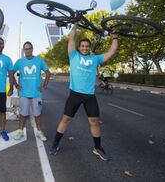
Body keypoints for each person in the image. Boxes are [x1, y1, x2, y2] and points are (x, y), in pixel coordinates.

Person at [49, 23, 118, 161]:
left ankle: (97, 148)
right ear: (79, 48)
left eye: (87, 46)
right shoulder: (73, 56)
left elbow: (112, 52)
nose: (84, 48)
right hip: (75, 94)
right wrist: (74, 25)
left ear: (89, 48)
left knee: (94, 122)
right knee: (65, 120)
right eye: (82, 46)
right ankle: (55, 144)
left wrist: (114, 36)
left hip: (89, 96)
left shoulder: (95, 59)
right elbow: (71, 39)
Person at [13, 41, 51, 141]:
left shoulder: (39, 60)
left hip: (36, 93)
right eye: (26, 49)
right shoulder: (20, 61)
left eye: (29, 48)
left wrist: (44, 86)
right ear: (24, 50)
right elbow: (11, 72)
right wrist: (16, 85)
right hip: (24, 93)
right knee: (23, 114)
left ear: (32, 49)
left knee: (37, 114)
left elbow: (48, 73)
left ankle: (39, 131)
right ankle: (20, 131)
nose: (27, 50)